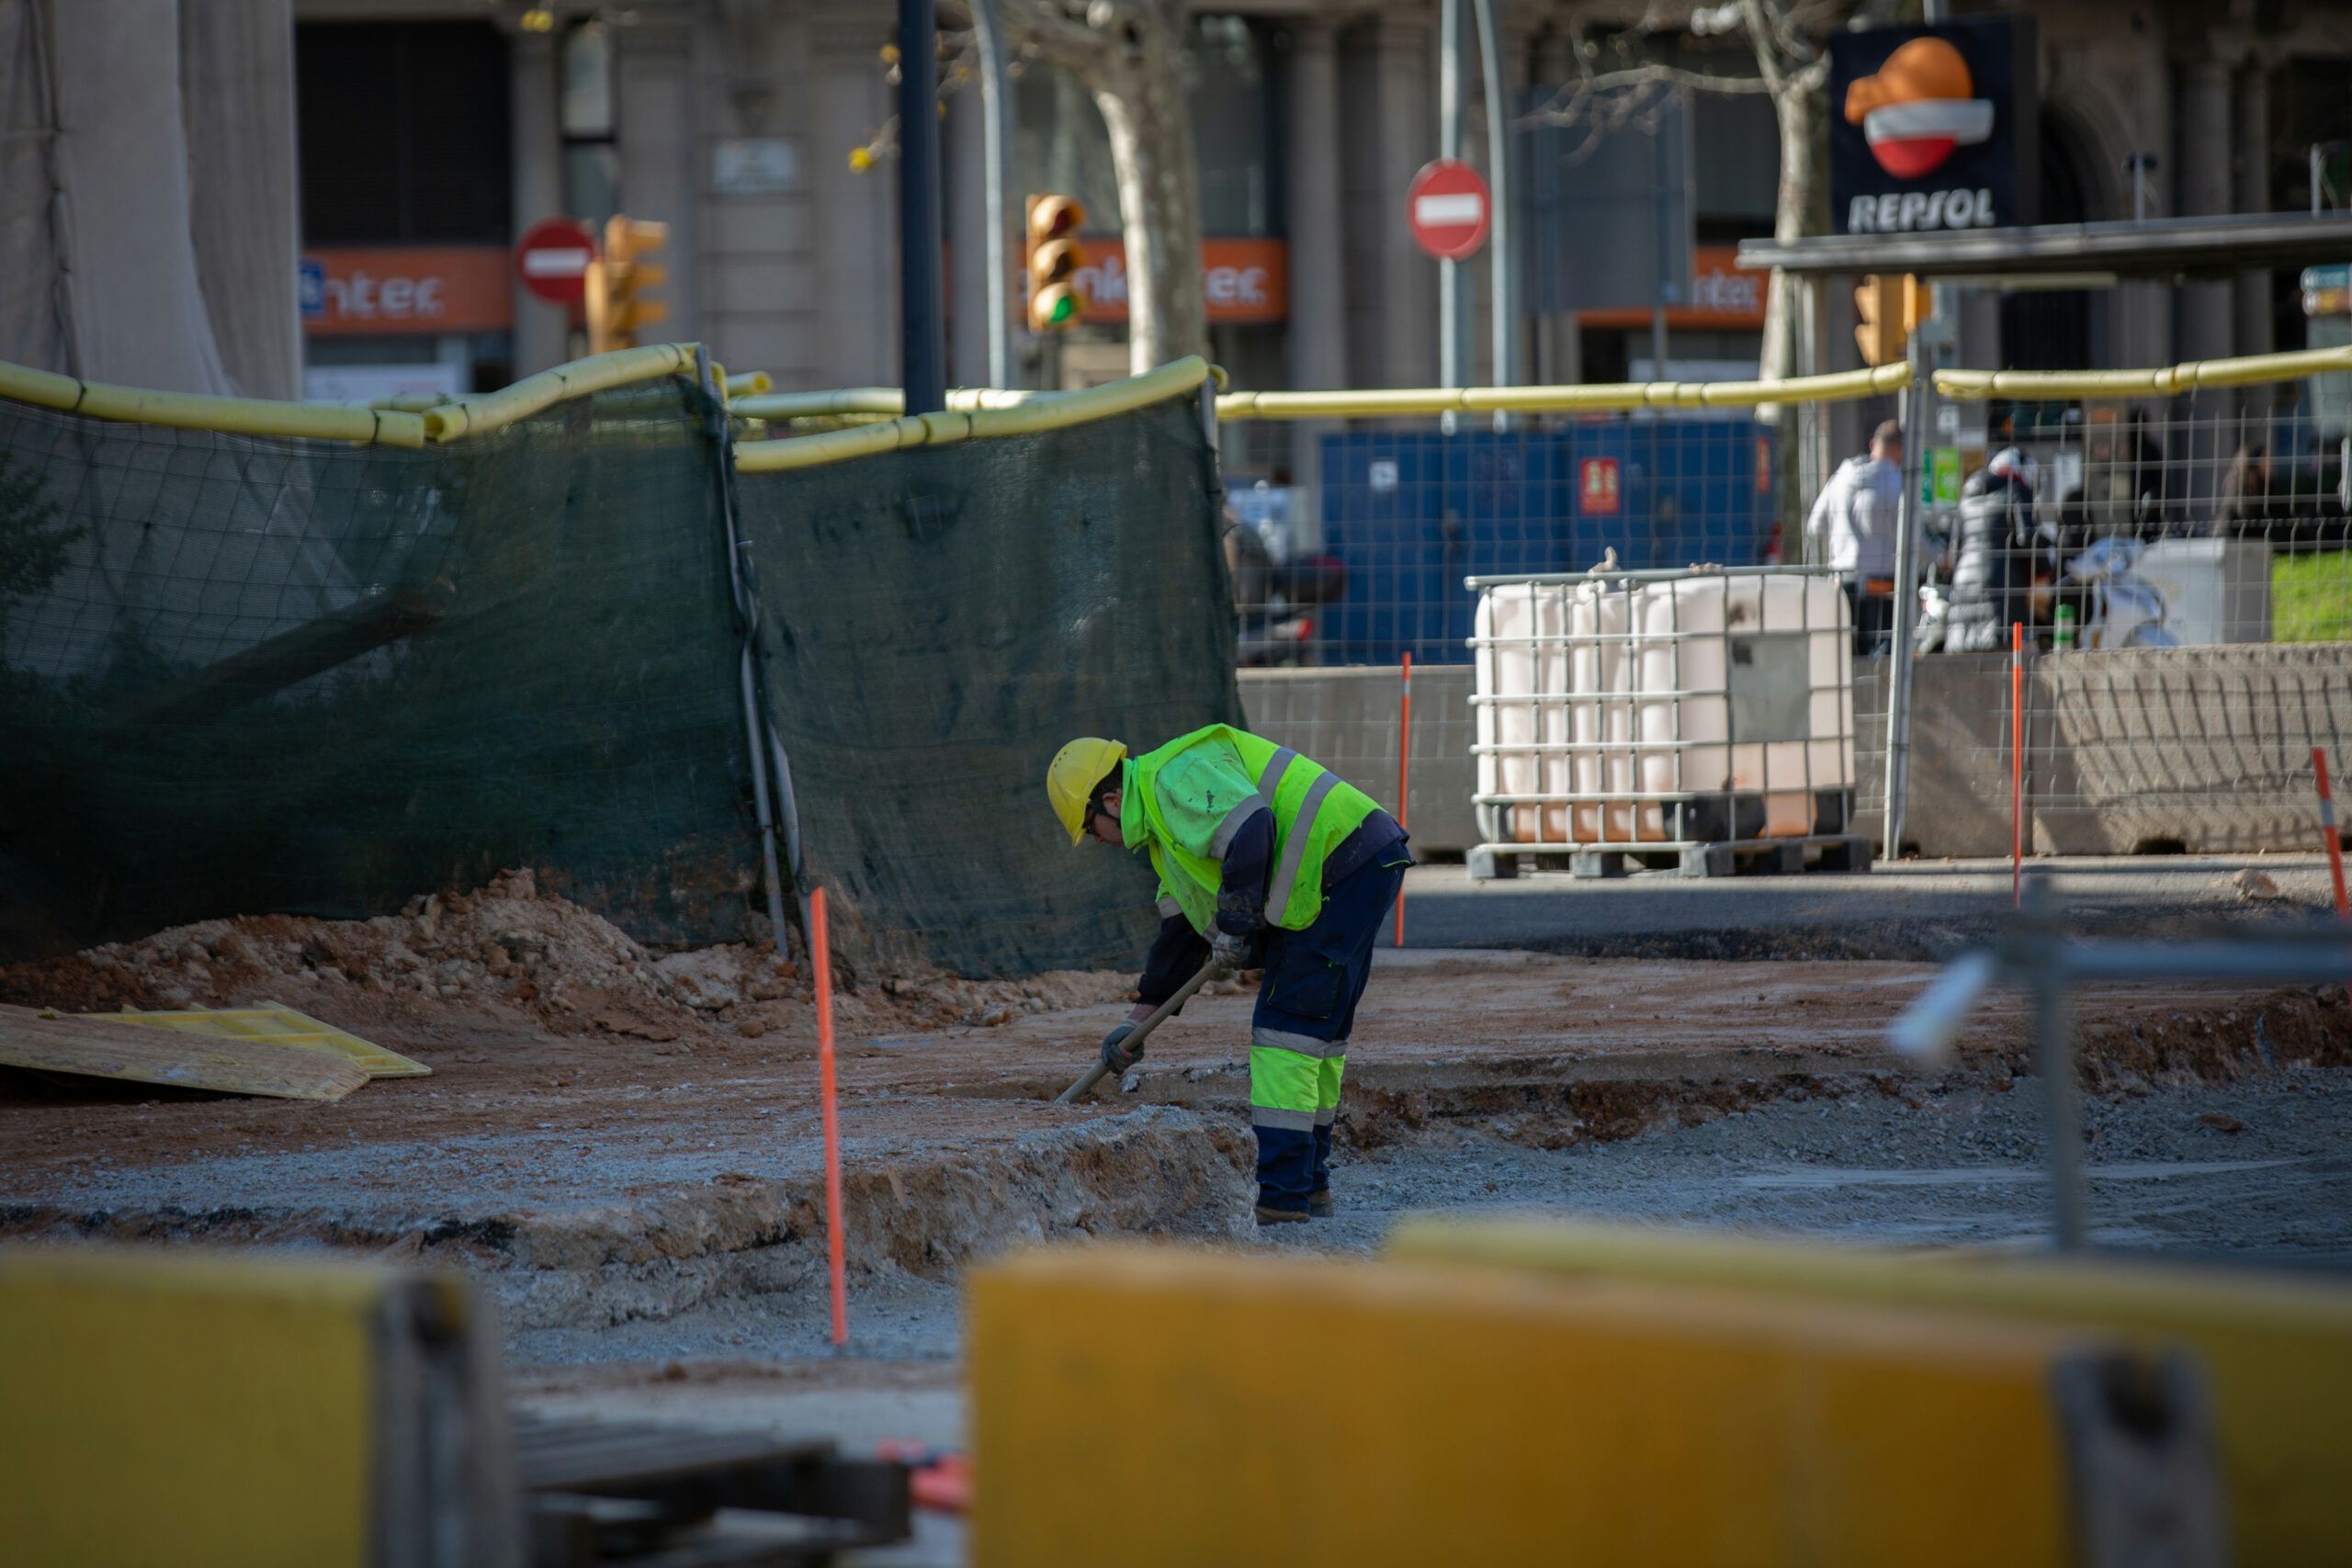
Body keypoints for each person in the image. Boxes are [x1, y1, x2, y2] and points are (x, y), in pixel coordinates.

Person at [1046, 728, 1412, 1224]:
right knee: (1317, 1038)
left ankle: (1283, 1198)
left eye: (1090, 827)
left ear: (1111, 801)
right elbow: (1181, 935)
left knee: (1285, 1033)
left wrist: (1238, 923)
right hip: (1358, 861)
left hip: (1339, 862)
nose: (1095, 841)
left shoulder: (1171, 779)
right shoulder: (1165, 832)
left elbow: (1254, 827)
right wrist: (1138, 1020)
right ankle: (1309, 1188)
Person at [1804, 420, 1919, 655]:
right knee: (1883, 656)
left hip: (1842, 580)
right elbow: (1910, 536)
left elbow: (1815, 525)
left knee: (1846, 657)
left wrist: (1843, 538)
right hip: (1881, 584)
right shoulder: (1896, 483)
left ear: (1873, 444)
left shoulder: (1840, 477)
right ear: (1899, 449)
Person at [1941, 447, 2042, 653]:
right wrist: (2044, 569)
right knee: (2005, 656)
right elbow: (2028, 539)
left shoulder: (1966, 498)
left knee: (1967, 656)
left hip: (1963, 585)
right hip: (2001, 583)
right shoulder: (2016, 490)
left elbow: (1953, 553)